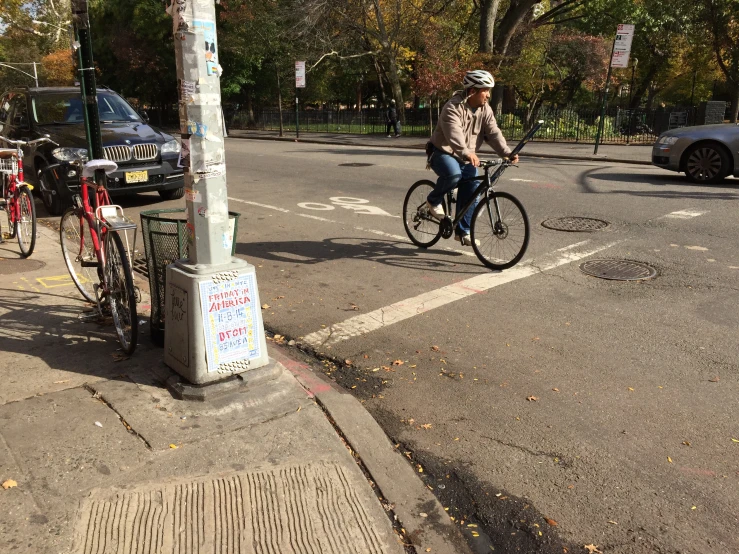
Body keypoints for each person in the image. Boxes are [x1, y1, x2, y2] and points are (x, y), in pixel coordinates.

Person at [425, 69, 518, 245]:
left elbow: (493, 133)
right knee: (453, 175)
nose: (488, 95)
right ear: (473, 91)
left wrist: (507, 152)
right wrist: (467, 152)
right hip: (442, 152)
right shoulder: (452, 107)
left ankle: (463, 231)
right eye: (485, 90)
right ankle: (433, 200)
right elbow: (454, 134)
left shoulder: (485, 110)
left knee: (474, 189)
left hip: (465, 157)